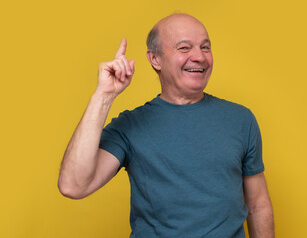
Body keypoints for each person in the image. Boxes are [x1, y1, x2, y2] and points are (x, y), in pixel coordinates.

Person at [58, 13, 274, 238]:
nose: (199, 56)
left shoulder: (240, 119)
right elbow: (74, 185)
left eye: (205, 47)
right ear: (155, 59)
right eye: (184, 48)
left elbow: (258, 205)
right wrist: (103, 96)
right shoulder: (130, 126)